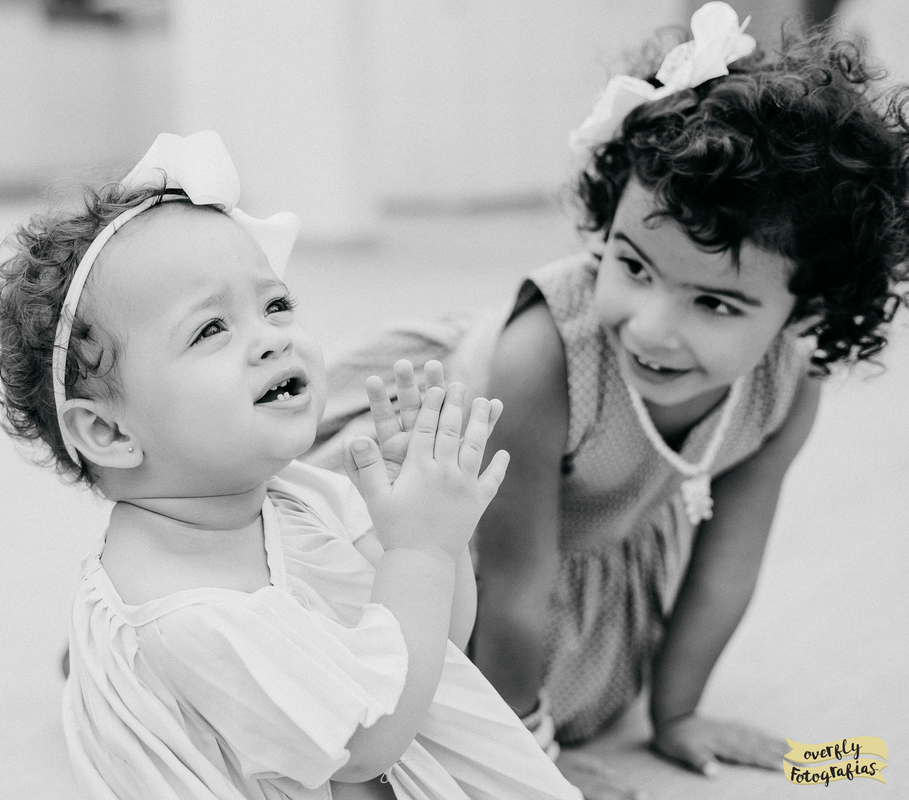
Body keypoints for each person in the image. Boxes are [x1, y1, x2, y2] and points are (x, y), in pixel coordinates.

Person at [306, 4, 909, 798]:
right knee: (336, 695)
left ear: (803, 312)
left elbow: (729, 565)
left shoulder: (787, 391)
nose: (653, 328)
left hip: (584, 535)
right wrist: (523, 757)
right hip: (439, 515)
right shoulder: (544, 354)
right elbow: (513, 580)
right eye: (633, 266)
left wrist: (677, 715)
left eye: (715, 304)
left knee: (589, 698)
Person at [0, 131, 581, 800]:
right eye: (211, 329)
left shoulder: (298, 498)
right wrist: (422, 550)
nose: (270, 339)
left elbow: (435, 658)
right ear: (110, 432)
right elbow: (368, 742)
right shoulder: (188, 616)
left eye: (275, 305)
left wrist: (434, 534)